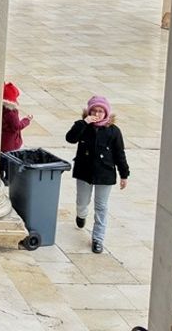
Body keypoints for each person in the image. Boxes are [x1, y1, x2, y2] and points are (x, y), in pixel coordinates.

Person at [65, 95, 130, 254]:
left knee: (101, 207)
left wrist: (124, 174)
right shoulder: (82, 126)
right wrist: (84, 123)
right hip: (84, 171)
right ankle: (81, 215)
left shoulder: (113, 131)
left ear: (106, 112)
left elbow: (119, 154)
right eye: (94, 110)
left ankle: (98, 239)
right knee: (82, 201)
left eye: (101, 111)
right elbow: (70, 138)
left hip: (105, 173)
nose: (97, 113)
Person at [0, 82, 33, 153]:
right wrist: (27, 120)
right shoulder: (10, 113)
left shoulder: (1, 109)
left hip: (2, 141)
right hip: (10, 144)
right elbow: (17, 126)